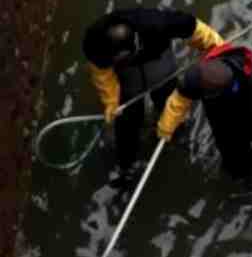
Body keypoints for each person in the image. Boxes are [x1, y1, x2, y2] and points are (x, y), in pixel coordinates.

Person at [83, 9, 224, 175]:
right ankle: (126, 166)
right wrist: (111, 101)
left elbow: (195, 29)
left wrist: (220, 51)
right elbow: (102, 73)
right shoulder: (95, 41)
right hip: (128, 79)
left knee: (168, 102)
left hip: (159, 64)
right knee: (127, 120)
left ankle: (174, 134)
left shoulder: (157, 24)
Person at [156, 43, 252, 179]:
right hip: (224, 126)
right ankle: (245, 178)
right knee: (234, 160)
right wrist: (166, 128)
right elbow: (178, 102)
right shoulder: (195, 79)